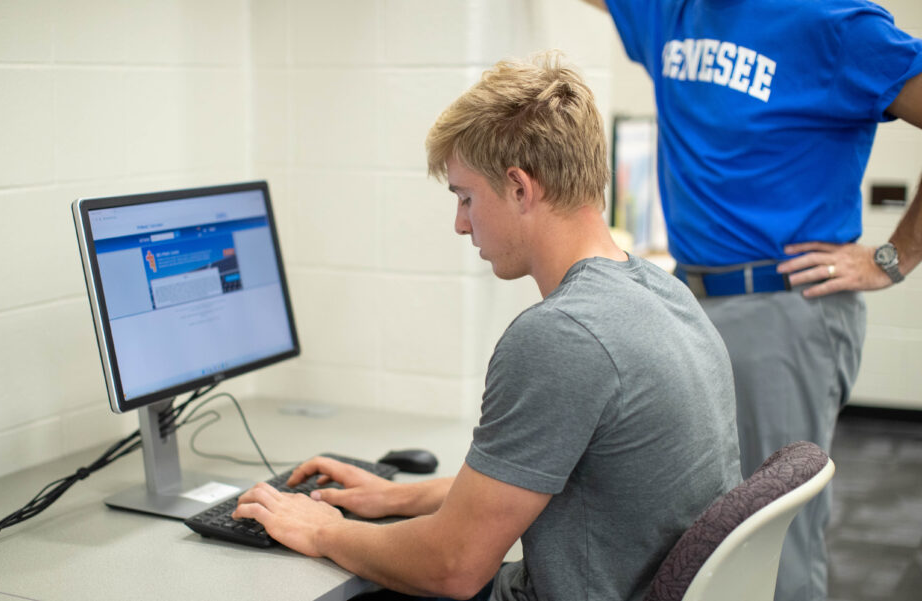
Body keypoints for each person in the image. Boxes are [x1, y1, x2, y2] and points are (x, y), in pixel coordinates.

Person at [233, 51, 741, 601]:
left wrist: (322, 528)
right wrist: (397, 498)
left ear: (521, 188)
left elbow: (452, 567)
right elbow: (558, 483)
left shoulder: (564, 336)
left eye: (466, 197)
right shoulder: (662, 291)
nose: (459, 223)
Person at [579, 1, 922, 599]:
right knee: (690, 529)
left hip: (781, 309)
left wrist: (895, 257)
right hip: (687, 301)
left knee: (771, 540)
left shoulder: (834, 23)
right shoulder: (670, 9)